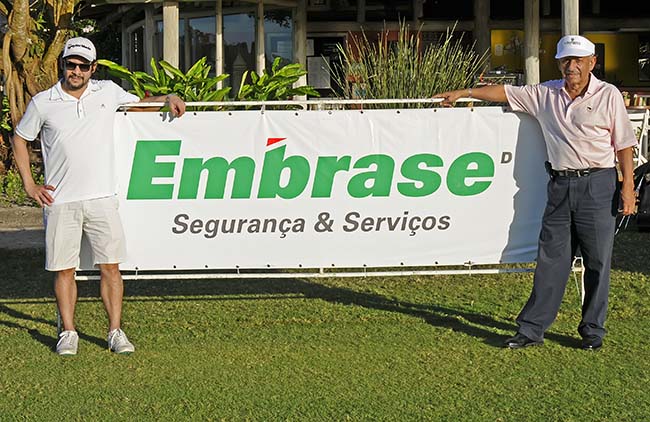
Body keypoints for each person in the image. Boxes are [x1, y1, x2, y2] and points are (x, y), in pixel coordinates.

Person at [434, 35, 637, 351]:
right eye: (566, 60)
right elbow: (504, 92)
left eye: (578, 60)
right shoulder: (545, 92)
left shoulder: (608, 95)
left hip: (599, 184)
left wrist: (628, 189)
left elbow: (623, 144)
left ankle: (593, 331)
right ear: (558, 63)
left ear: (592, 63)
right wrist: (465, 93)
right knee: (551, 260)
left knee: (598, 261)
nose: (572, 66)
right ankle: (531, 329)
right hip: (559, 185)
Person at [11, 37, 186, 356]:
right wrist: (29, 185)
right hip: (60, 201)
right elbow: (20, 139)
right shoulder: (43, 101)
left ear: (93, 68)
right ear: (61, 64)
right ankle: (68, 331)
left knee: (110, 267)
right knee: (64, 269)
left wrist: (169, 96)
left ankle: (115, 331)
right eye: (70, 64)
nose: (75, 71)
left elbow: (139, 103)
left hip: (102, 199)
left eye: (82, 65)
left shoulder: (107, 91)